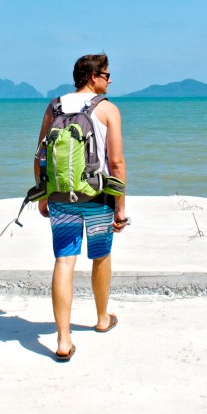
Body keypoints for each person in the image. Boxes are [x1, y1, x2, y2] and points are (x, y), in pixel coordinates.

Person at [35, 53, 127, 361]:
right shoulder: (108, 110)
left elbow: (40, 156)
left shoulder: (54, 106)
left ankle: (63, 340)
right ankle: (102, 319)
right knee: (101, 255)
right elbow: (115, 163)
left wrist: (44, 195)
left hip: (61, 197)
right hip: (97, 197)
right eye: (106, 74)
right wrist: (120, 207)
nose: (110, 80)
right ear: (92, 77)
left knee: (64, 260)